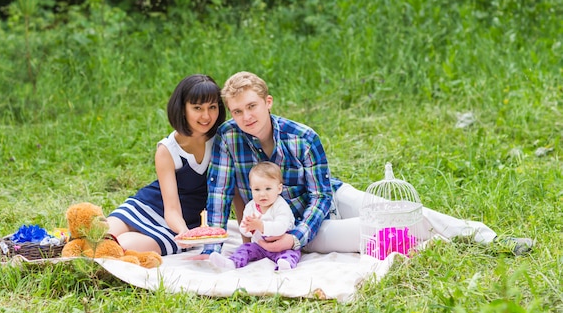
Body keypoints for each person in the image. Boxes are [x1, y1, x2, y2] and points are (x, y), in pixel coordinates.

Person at [202, 71, 533, 256]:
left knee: (397, 208)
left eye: (252, 106)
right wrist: (213, 251)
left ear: (268, 102)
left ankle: (485, 237)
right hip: (293, 224)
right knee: (377, 229)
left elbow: (320, 196)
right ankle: (439, 243)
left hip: (327, 199)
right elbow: (219, 192)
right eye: (237, 111)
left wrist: (296, 237)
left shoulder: (303, 137)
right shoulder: (228, 139)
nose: (246, 117)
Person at [107, 74, 226, 256]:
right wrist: (183, 231)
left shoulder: (222, 141)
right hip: (154, 208)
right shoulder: (167, 150)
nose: (206, 116)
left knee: (121, 246)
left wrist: (186, 234)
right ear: (182, 109)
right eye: (197, 108)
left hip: (186, 224)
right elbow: (171, 209)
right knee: (100, 236)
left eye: (212, 107)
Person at [209, 161, 301, 270]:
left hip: (282, 246)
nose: (262, 194)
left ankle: (285, 265)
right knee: (245, 249)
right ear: (251, 189)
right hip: (260, 246)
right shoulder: (250, 206)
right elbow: (244, 229)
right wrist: (248, 228)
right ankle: (232, 262)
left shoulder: (281, 206)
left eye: (268, 188)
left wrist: (261, 226)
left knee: (291, 254)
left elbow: (281, 227)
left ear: (279, 189)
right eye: (257, 189)